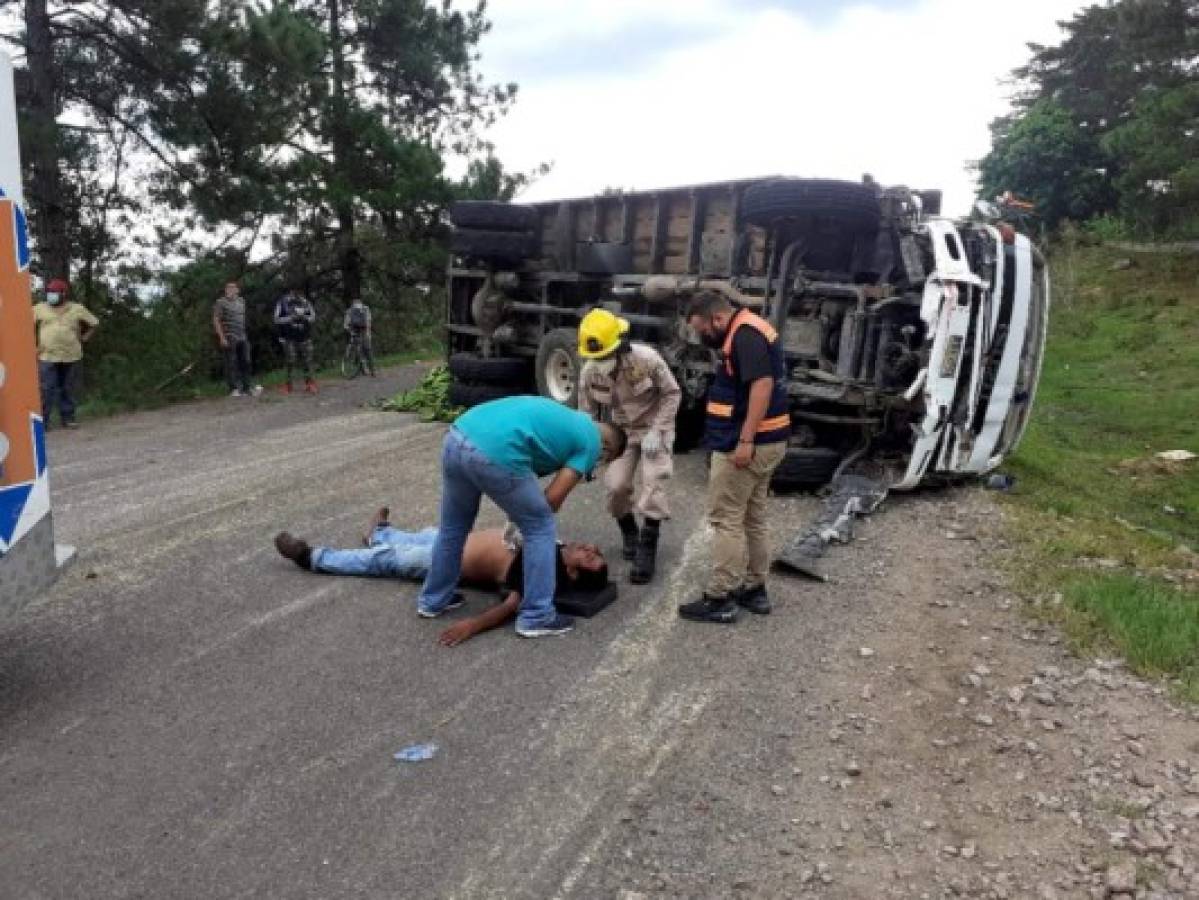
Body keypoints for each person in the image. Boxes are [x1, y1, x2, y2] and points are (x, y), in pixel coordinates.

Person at [417, 395, 627, 638]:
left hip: (459, 434)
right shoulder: (592, 443)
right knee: (540, 526)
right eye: (605, 458)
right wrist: (522, 517)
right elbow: (552, 499)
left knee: (453, 527)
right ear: (607, 447)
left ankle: (433, 600)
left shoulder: (570, 419)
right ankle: (536, 616)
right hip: (495, 449)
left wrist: (519, 511)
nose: (598, 462)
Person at [273, 507, 609, 646]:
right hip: (451, 540)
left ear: (572, 572)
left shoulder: (546, 571)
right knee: (419, 536)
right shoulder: (552, 545)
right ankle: (380, 532)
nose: (590, 546)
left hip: (444, 561)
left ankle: (312, 557)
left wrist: (471, 626)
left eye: (590, 557)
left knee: (386, 560)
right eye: (596, 550)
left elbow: (513, 604)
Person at [678, 291, 790, 624]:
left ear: (717, 318)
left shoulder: (744, 335)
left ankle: (719, 597)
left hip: (746, 445)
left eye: (703, 329)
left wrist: (745, 440)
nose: (702, 336)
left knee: (726, 518)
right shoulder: (748, 328)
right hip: (770, 440)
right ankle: (755, 589)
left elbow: (762, 385)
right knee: (753, 517)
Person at [577, 308, 681, 584]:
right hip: (620, 431)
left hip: (654, 427)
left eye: (604, 356)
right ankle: (629, 531)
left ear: (620, 346)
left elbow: (672, 393)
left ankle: (647, 545)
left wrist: (658, 430)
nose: (599, 362)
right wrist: (585, 455)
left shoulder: (647, 360)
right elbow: (585, 416)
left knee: (653, 481)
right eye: (594, 358)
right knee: (616, 487)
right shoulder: (589, 373)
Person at [32, 278, 98, 429]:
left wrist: (85, 337)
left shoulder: (77, 309)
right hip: (47, 355)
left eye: (54, 293)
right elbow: (24, 324)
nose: (51, 295)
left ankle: (68, 418)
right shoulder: (39, 308)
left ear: (63, 294)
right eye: (49, 292)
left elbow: (94, 323)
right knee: (47, 388)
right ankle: (43, 422)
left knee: (67, 387)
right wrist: (33, 345)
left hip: (71, 355)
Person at [212, 280, 262, 397]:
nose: (230, 290)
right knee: (231, 362)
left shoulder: (241, 301)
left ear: (237, 290)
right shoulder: (220, 302)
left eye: (233, 288)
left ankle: (247, 387)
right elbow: (216, 320)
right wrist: (222, 337)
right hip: (229, 335)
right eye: (228, 288)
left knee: (246, 361)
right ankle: (234, 388)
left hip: (242, 335)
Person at [273, 288, 317, 393]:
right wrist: (291, 318)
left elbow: (313, 317)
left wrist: (304, 317)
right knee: (290, 361)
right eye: (293, 292)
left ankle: (310, 383)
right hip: (289, 337)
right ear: (289, 292)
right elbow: (276, 319)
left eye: (297, 292)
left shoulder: (305, 302)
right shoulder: (282, 302)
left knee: (308, 360)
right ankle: (288, 385)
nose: (295, 294)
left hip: (304, 336)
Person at [342, 297, 376, 376]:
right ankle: (372, 370)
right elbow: (368, 321)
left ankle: (363, 370)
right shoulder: (365, 308)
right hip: (364, 332)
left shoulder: (349, 310)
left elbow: (345, 325)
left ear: (352, 304)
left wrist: (351, 332)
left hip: (355, 332)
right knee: (368, 350)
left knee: (357, 351)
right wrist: (368, 333)